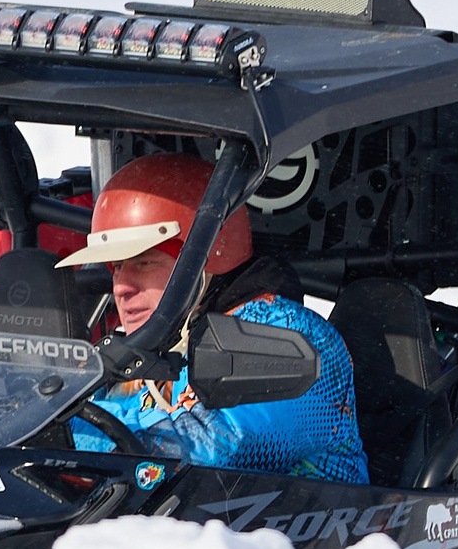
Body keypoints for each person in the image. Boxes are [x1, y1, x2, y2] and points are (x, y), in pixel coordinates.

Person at [56, 153, 369, 483]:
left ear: (207, 260)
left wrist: (63, 429)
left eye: (144, 263)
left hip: (305, 517)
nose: (121, 287)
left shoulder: (294, 339)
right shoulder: (141, 356)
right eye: (117, 267)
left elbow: (216, 448)